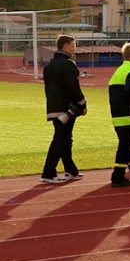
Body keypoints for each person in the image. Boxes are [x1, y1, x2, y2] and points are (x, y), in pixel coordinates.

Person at [41, 35, 87, 184]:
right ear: (65, 46)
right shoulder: (68, 64)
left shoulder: (49, 66)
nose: (74, 49)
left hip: (53, 107)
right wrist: (82, 104)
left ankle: (70, 170)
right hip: (67, 109)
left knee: (64, 138)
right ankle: (48, 172)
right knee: (61, 139)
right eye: (73, 46)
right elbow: (73, 87)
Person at [108, 41, 130, 187]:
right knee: (126, 145)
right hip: (127, 115)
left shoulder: (120, 70)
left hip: (117, 115)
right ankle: (118, 175)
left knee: (128, 145)